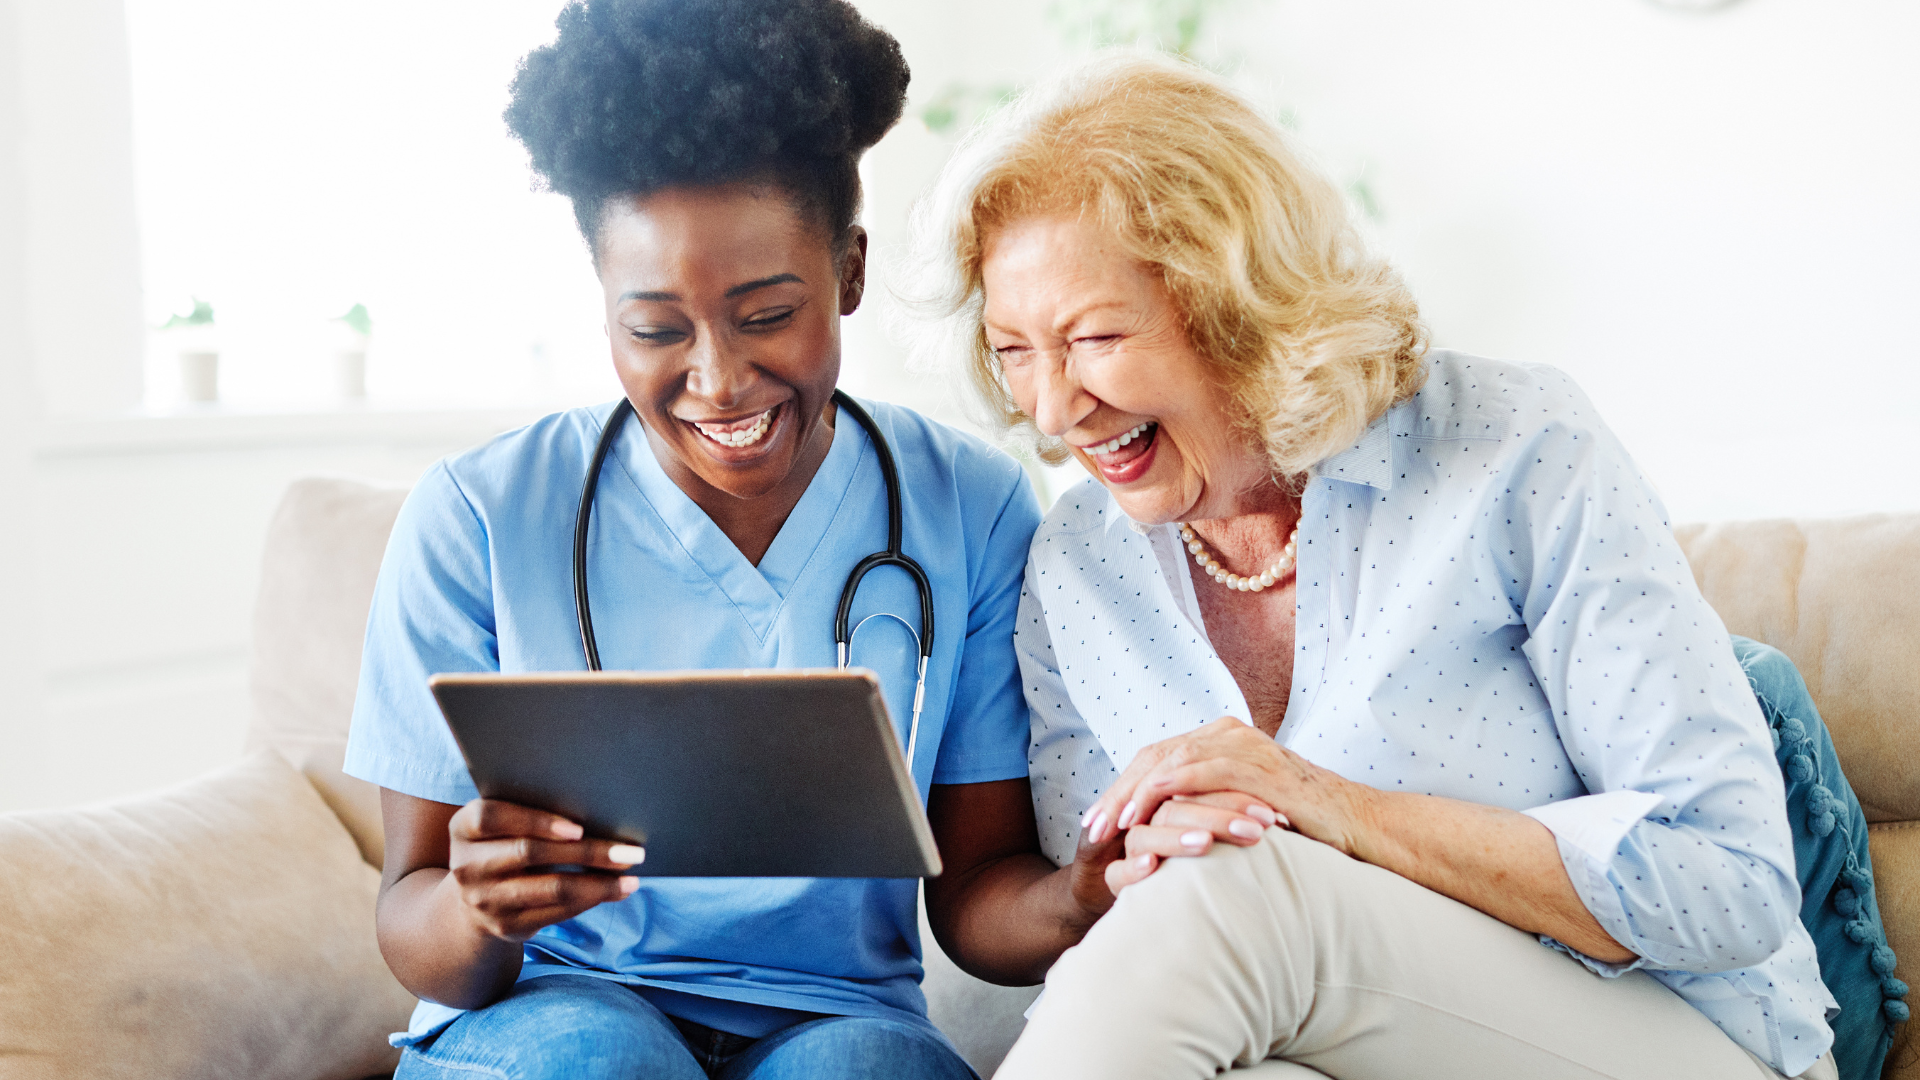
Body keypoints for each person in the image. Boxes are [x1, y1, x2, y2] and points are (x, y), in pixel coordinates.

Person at [903, 53, 1840, 1079]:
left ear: (1236, 305)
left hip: (1673, 1036)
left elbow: (1727, 881)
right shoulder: (1078, 565)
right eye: (1014, 351)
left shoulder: (1514, 446)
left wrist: (1328, 808)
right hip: (1340, 1043)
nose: (1050, 411)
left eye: (1093, 338)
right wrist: (1101, 882)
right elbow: (1127, 942)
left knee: (1237, 884)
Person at [340, 3, 1120, 1076]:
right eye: (655, 328)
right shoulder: (477, 515)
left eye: (763, 315)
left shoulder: (970, 504)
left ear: (847, 273)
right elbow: (415, 925)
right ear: (604, 304)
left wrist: (1076, 896)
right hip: (560, 1002)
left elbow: (975, 896)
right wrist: (482, 910)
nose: (715, 379)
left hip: (840, 1017)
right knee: (594, 1062)